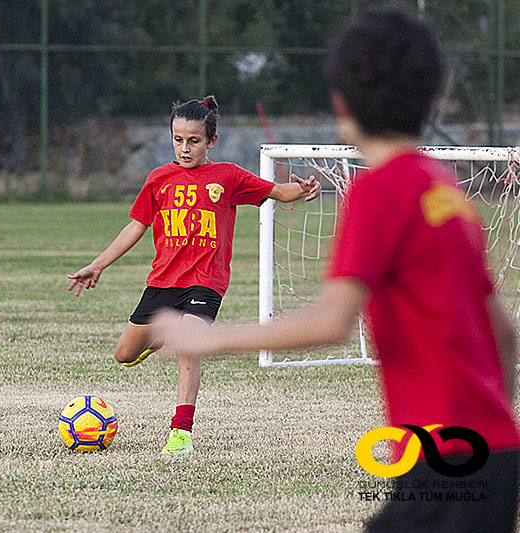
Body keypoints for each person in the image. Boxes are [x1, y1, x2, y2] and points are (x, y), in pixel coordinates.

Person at [150, 6, 519, 531]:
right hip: (495, 451)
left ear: (341, 103)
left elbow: (330, 322)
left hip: (442, 452)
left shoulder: (378, 191)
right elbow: (503, 334)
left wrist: (210, 339)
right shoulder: (448, 192)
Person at [67, 95, 320, 455]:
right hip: (162, 282)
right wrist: (98, 264)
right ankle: (157, 338)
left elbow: (279, 192)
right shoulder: (158, 179)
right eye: (178, 139)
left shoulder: (228, 176)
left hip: (206, 282)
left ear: (211, 141)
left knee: (188, 346)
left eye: (194, 141)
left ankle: (181, 433)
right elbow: (135, 226)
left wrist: (304, 189)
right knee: (124, 355)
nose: (185, 148)